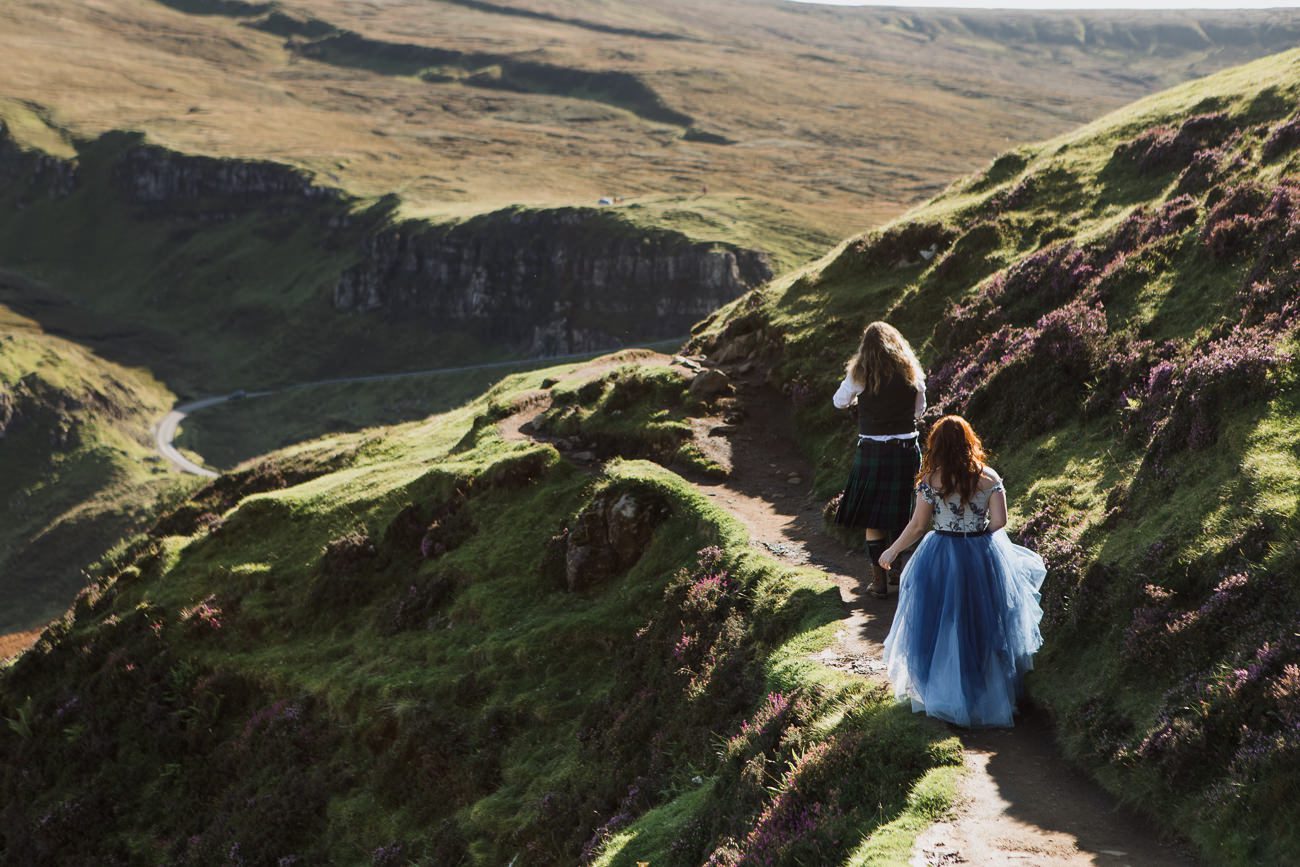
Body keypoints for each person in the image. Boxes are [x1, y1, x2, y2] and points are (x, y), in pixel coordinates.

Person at [878, 415, 1046, 728]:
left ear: (937, 445)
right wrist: (978, 532)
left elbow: (918, 525)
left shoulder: (931, 480)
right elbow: (1000, 522)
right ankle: (980, 694)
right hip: (981, 553)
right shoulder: (989, 476)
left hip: (941, 553)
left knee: (941, 623)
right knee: (981, 623)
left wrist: (893, 549)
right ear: (970, 441)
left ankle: (943, 695)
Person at [832, 321, 927, 599]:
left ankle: (879, 581)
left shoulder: (860, 373)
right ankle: (896, 570)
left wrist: (858, 401)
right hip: (905, 448)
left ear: (866, 349)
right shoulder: (911, 372)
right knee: (901, 510)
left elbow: (839, 401)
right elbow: (920, 410)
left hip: (873, 449)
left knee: (873, 516)